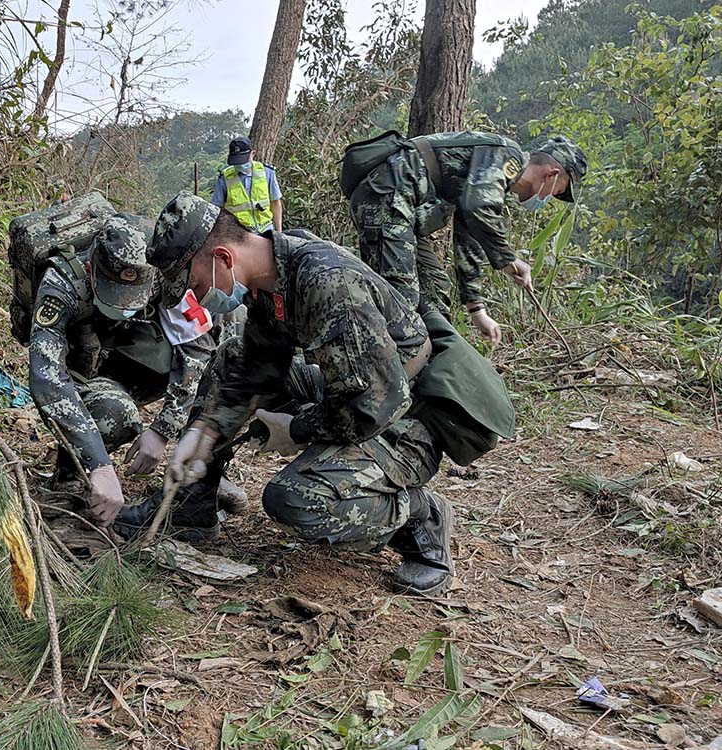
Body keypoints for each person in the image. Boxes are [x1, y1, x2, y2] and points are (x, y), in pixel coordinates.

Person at [120, 193, 514, 594]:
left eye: (196, 284)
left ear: (223, 258)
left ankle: (419, 517)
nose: (199, 297)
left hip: (409, 416)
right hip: (352, 389)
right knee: (232, 357)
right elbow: (258, 366)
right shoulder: (270, 276)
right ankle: (192, 506)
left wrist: (296, 429)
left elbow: (372, 407)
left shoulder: (327, 283)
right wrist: (204, 433)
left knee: (295, 499)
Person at [28, 214, 245, 527]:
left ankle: (196, 480)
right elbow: (47, 377)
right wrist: (99, 463)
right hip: (83, 368)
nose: (125, 306)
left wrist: (162, 431)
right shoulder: (61, 284)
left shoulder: (164, 268)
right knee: (114, 414)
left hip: (132, 358)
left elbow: (196, 349)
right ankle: (71, 471)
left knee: (226, 351)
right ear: (92, 269)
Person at [346, 133, 587, 344]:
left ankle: (435, 373)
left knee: (434, 292)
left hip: (401, 211)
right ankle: (378, 379)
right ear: (551, 174)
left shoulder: (491, 180)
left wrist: (477, 310)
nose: (550, 198)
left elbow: (468, 235)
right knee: (401, 302)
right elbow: (477, 207)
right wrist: (508, 260)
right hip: (387, 199)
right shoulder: (507, 155)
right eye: (558, 191)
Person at [211, 136, 284, 233]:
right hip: (238, 234)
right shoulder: (224, 178)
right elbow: (217, 209)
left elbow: (275, 202)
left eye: (243, 159)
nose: (240, 164)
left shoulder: (267, 173)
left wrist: (279, 232)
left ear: (253, 153)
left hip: (265, 230)